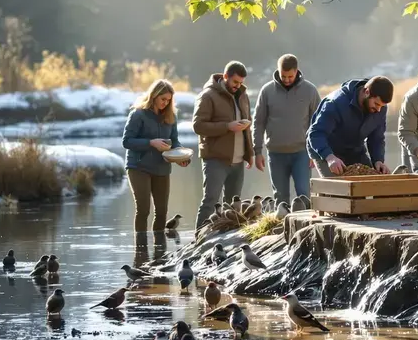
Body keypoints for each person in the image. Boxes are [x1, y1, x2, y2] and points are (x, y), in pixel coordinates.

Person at [193, 61, 254, 229]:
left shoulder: (243, 95)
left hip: (238, 160)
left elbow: (247, 128)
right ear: (225, 76)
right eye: (235, 82)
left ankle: (228, 239)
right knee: (210, 201)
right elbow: (198, 126)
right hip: (215, 159)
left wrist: (250, 154)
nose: (238, 86)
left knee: (233, 204)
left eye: (241, 83)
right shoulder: (207, 96)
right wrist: (227, 126)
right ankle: (198, 239)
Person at [122, 79, 189, 232]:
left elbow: (175, 141)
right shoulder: (138, 114)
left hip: (162, 168)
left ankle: (160, 252)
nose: (166, 103)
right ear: (153, 96)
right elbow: (126, 141)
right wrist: (151, 143)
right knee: (144, 209)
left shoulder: (171, 116)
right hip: (138, 167)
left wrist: (180, 156)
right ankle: (141, 252)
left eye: (169, 100)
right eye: (163, 99)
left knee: (161, 212)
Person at [253, 54, 320, 205]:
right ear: (278, 71)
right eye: (283, 76)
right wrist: (257, 151)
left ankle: (306, 226)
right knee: (280, 198)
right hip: (276, 154)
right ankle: (284, 226)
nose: (287, 79)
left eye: (290, 76)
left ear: (297, 71)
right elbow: (258, 122)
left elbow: (317, 123)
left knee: (304, 195)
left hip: (302, 153)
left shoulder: (310, 91)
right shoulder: (267, 91)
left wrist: (315, 152)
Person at [307, 76, 395, 176]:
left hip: (355, 150)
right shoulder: (335, 103)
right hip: (326, 149)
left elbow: (377, 138)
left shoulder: (380, 108)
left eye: (382, 106)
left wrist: (378, 160)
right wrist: (330, 157)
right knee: (337, 187)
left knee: (372, 181)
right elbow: (316, 134)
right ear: (367, 92)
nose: (379, 110)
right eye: (376, 104)